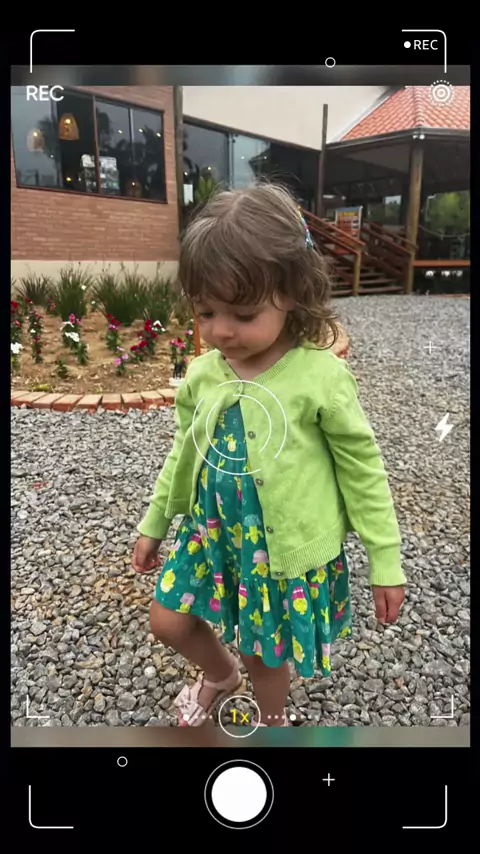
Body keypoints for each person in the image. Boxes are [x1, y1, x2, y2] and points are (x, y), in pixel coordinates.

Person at [131, 181, 406, 728]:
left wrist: (385, 558)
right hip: (211, 535)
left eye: (243, 313)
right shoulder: (203, 374)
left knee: (264, 653)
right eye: (205, 312)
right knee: (167, 621)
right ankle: (220, 674)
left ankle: (272, 723)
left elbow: (362, 469)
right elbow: (184, 452)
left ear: (294, 292)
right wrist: (155, 522)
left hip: (277, 552)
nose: (221, 331)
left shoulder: (319, 377)